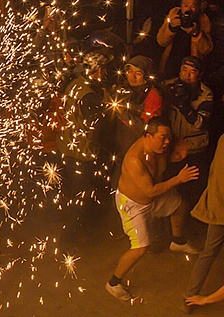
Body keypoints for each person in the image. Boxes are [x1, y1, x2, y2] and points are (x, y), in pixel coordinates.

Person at [106, 116, 200, 301]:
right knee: (141, 247)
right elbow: (149, 190)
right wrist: (179, 179)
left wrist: (177, 156)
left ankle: (177, 241)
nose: (167, 142)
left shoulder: (160, 149)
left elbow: (160, 171)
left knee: (181, 205)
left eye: (168, 138)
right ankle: (113, 282)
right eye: (162, 138)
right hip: (133, 205)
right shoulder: (135, 159)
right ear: (148, 136)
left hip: (155, 196)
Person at [57, 50, 111, 244]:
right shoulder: (89, 96)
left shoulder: (75, 84)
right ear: (99, 70)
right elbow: (96, 128)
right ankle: (68, 242)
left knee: (71, 196)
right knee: (79, 200)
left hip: (67, 148)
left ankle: (67, 234)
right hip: (83, 153)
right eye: (104, 69)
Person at [164, 56, 214, 208]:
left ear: (199, 75)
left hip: (194, 149)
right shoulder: (168, 86)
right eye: (184, 70)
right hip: (172, 146)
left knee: (192, 191)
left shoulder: (205, 94)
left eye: (192, 72)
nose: (187, 75)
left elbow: (200, 123)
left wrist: (184, 106)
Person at [184, 133, 224, 311]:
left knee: (208, 252)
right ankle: (192, 298)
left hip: (218, 209)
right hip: (219, 209)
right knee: (209, 252)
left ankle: (189, 297)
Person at [109, 55, 163, 185]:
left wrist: (122, 112)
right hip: (118, 151)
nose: (132, 76)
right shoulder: (123, 90)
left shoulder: (153, 96)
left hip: (137, 157)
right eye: (130, 71)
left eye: (138, 73)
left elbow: (146, 130)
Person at [157, 0, 213, 78]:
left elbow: (206, 49)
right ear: (181, 5)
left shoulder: (203, 20)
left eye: (193, 6)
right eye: (185, 6)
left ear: (198, 7)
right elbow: (161, 41)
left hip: (191, 68)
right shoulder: (174, 14)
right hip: (170, 65)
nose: (188, 10)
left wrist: (196, 33)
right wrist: (171, 28)